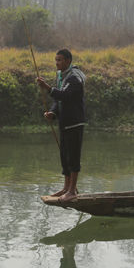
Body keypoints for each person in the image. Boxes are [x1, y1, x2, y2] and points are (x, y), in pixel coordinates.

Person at [36, 48, 87, 202]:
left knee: (73, 156)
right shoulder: (61, 76)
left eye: (60, 60)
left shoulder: (74, 78)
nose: (57, 63)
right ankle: (65, 188)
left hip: (74, 122)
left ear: (68, 61)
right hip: (64, 122)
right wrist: (53, 113)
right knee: (64, 156)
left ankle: (72, 191)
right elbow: (58, 100)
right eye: (56, 60)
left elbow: (65, 95)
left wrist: (46, 87)